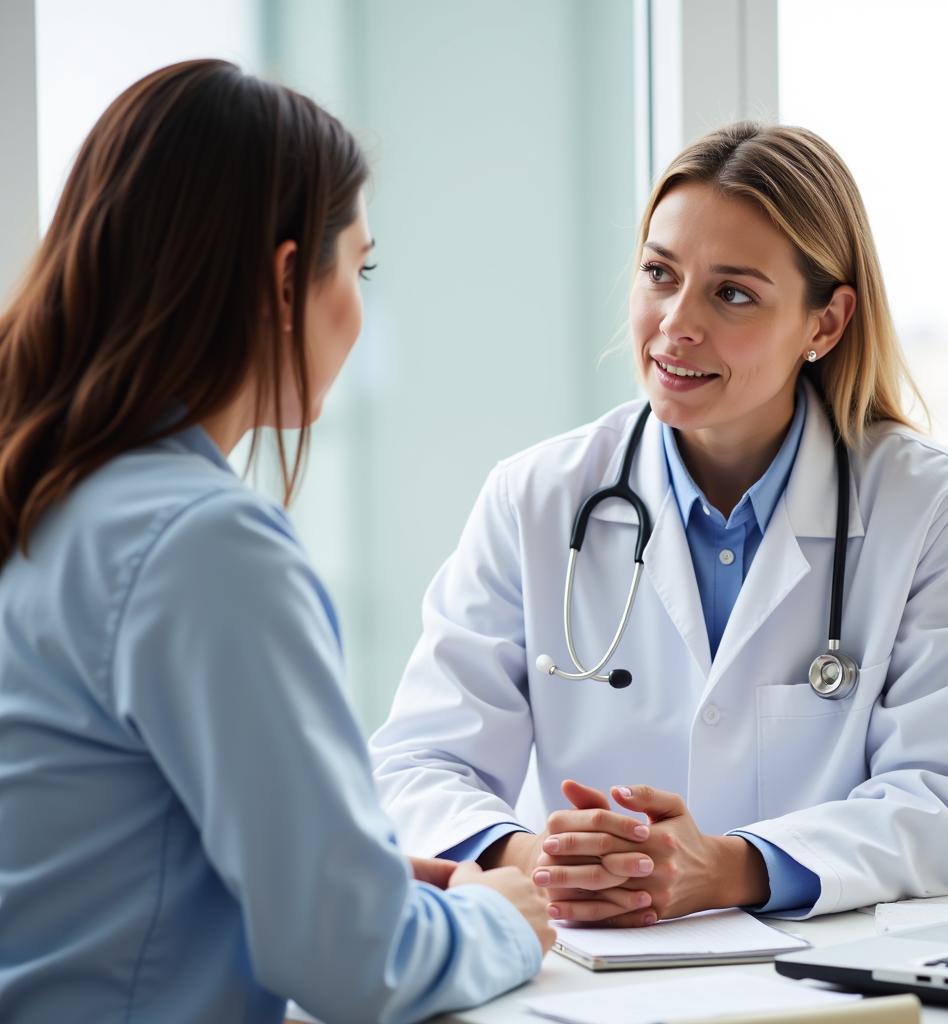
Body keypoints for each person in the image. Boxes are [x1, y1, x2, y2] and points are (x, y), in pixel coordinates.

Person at [0, 60, 553, 1024]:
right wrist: (503, 917)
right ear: (288, 278)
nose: (360, 307)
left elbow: (105, 852)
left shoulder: (53, 492)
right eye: (361, 266)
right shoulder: (202, 544)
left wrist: (361, 879)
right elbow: (357, 966)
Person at [370, 122, 948, 925]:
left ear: (825, 323)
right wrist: (539, 859)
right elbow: (418, 764)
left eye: (733, 293)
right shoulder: (536, 497)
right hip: (591, 977)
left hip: (821, 984)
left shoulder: (932, 509)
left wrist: (731, 867)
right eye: (659, 274)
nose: (677, 323)